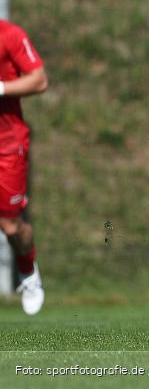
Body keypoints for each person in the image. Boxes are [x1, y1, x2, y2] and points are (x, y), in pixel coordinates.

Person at [0, 20, 48, 315]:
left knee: (11, 226)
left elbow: (39, 80)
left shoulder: (9, 35)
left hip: (6, 145)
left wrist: (1, 87)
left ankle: (27, 269)